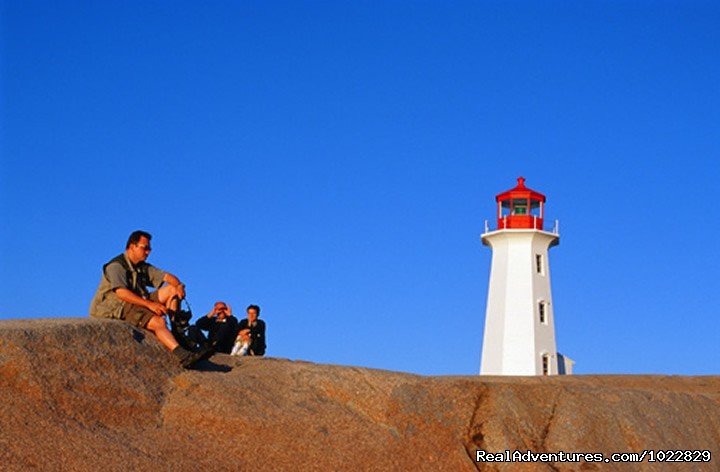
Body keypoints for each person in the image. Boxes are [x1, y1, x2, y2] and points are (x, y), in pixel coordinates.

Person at [89, 230, 212, 368]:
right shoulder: (116, 266)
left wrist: (179, 286)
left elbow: (169, 278)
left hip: (136, 300)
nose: (148, 252)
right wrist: (150, 305)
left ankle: (178, 333)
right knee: (158, 322)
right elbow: (121, 293)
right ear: (132, 246)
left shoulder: (142, 267)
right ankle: (182, 356)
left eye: (149, 249)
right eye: (144, 248)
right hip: (117, 307)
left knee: (171, 290)